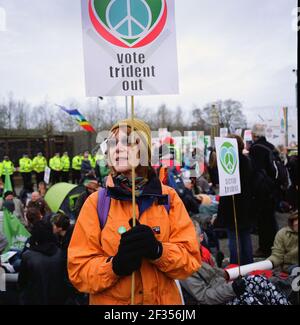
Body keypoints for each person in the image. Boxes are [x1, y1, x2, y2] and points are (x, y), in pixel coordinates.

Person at [68, 119, 201, 305]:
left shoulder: (168, 198)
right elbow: (78, 272)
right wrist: (114, 267)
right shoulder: (96, 203)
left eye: (128, 142)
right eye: (112, 143)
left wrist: (158, 251)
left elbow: (190, 261)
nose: (118, 149)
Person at [218, 134, 255, 265]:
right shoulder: (247, 161)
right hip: (246, 204)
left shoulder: (227, 162)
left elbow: (223, 186)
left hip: (232, 205)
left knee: (234, 237)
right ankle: (248, 265)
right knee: (245, 237)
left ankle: (236, 265)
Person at [18, 220, 66, 305]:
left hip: (34, 299)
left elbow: (22, 283)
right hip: (57, 299)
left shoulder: (28, 256)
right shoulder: (60, 253)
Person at [249, 124, 278, 257]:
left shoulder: (256, 149)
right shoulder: (271, 147)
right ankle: (274, 246)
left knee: (263, 220)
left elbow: (255, 171)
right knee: (271, 219)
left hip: (262, 191)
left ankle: (264, 248)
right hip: (273, 189)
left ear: (254, 135)